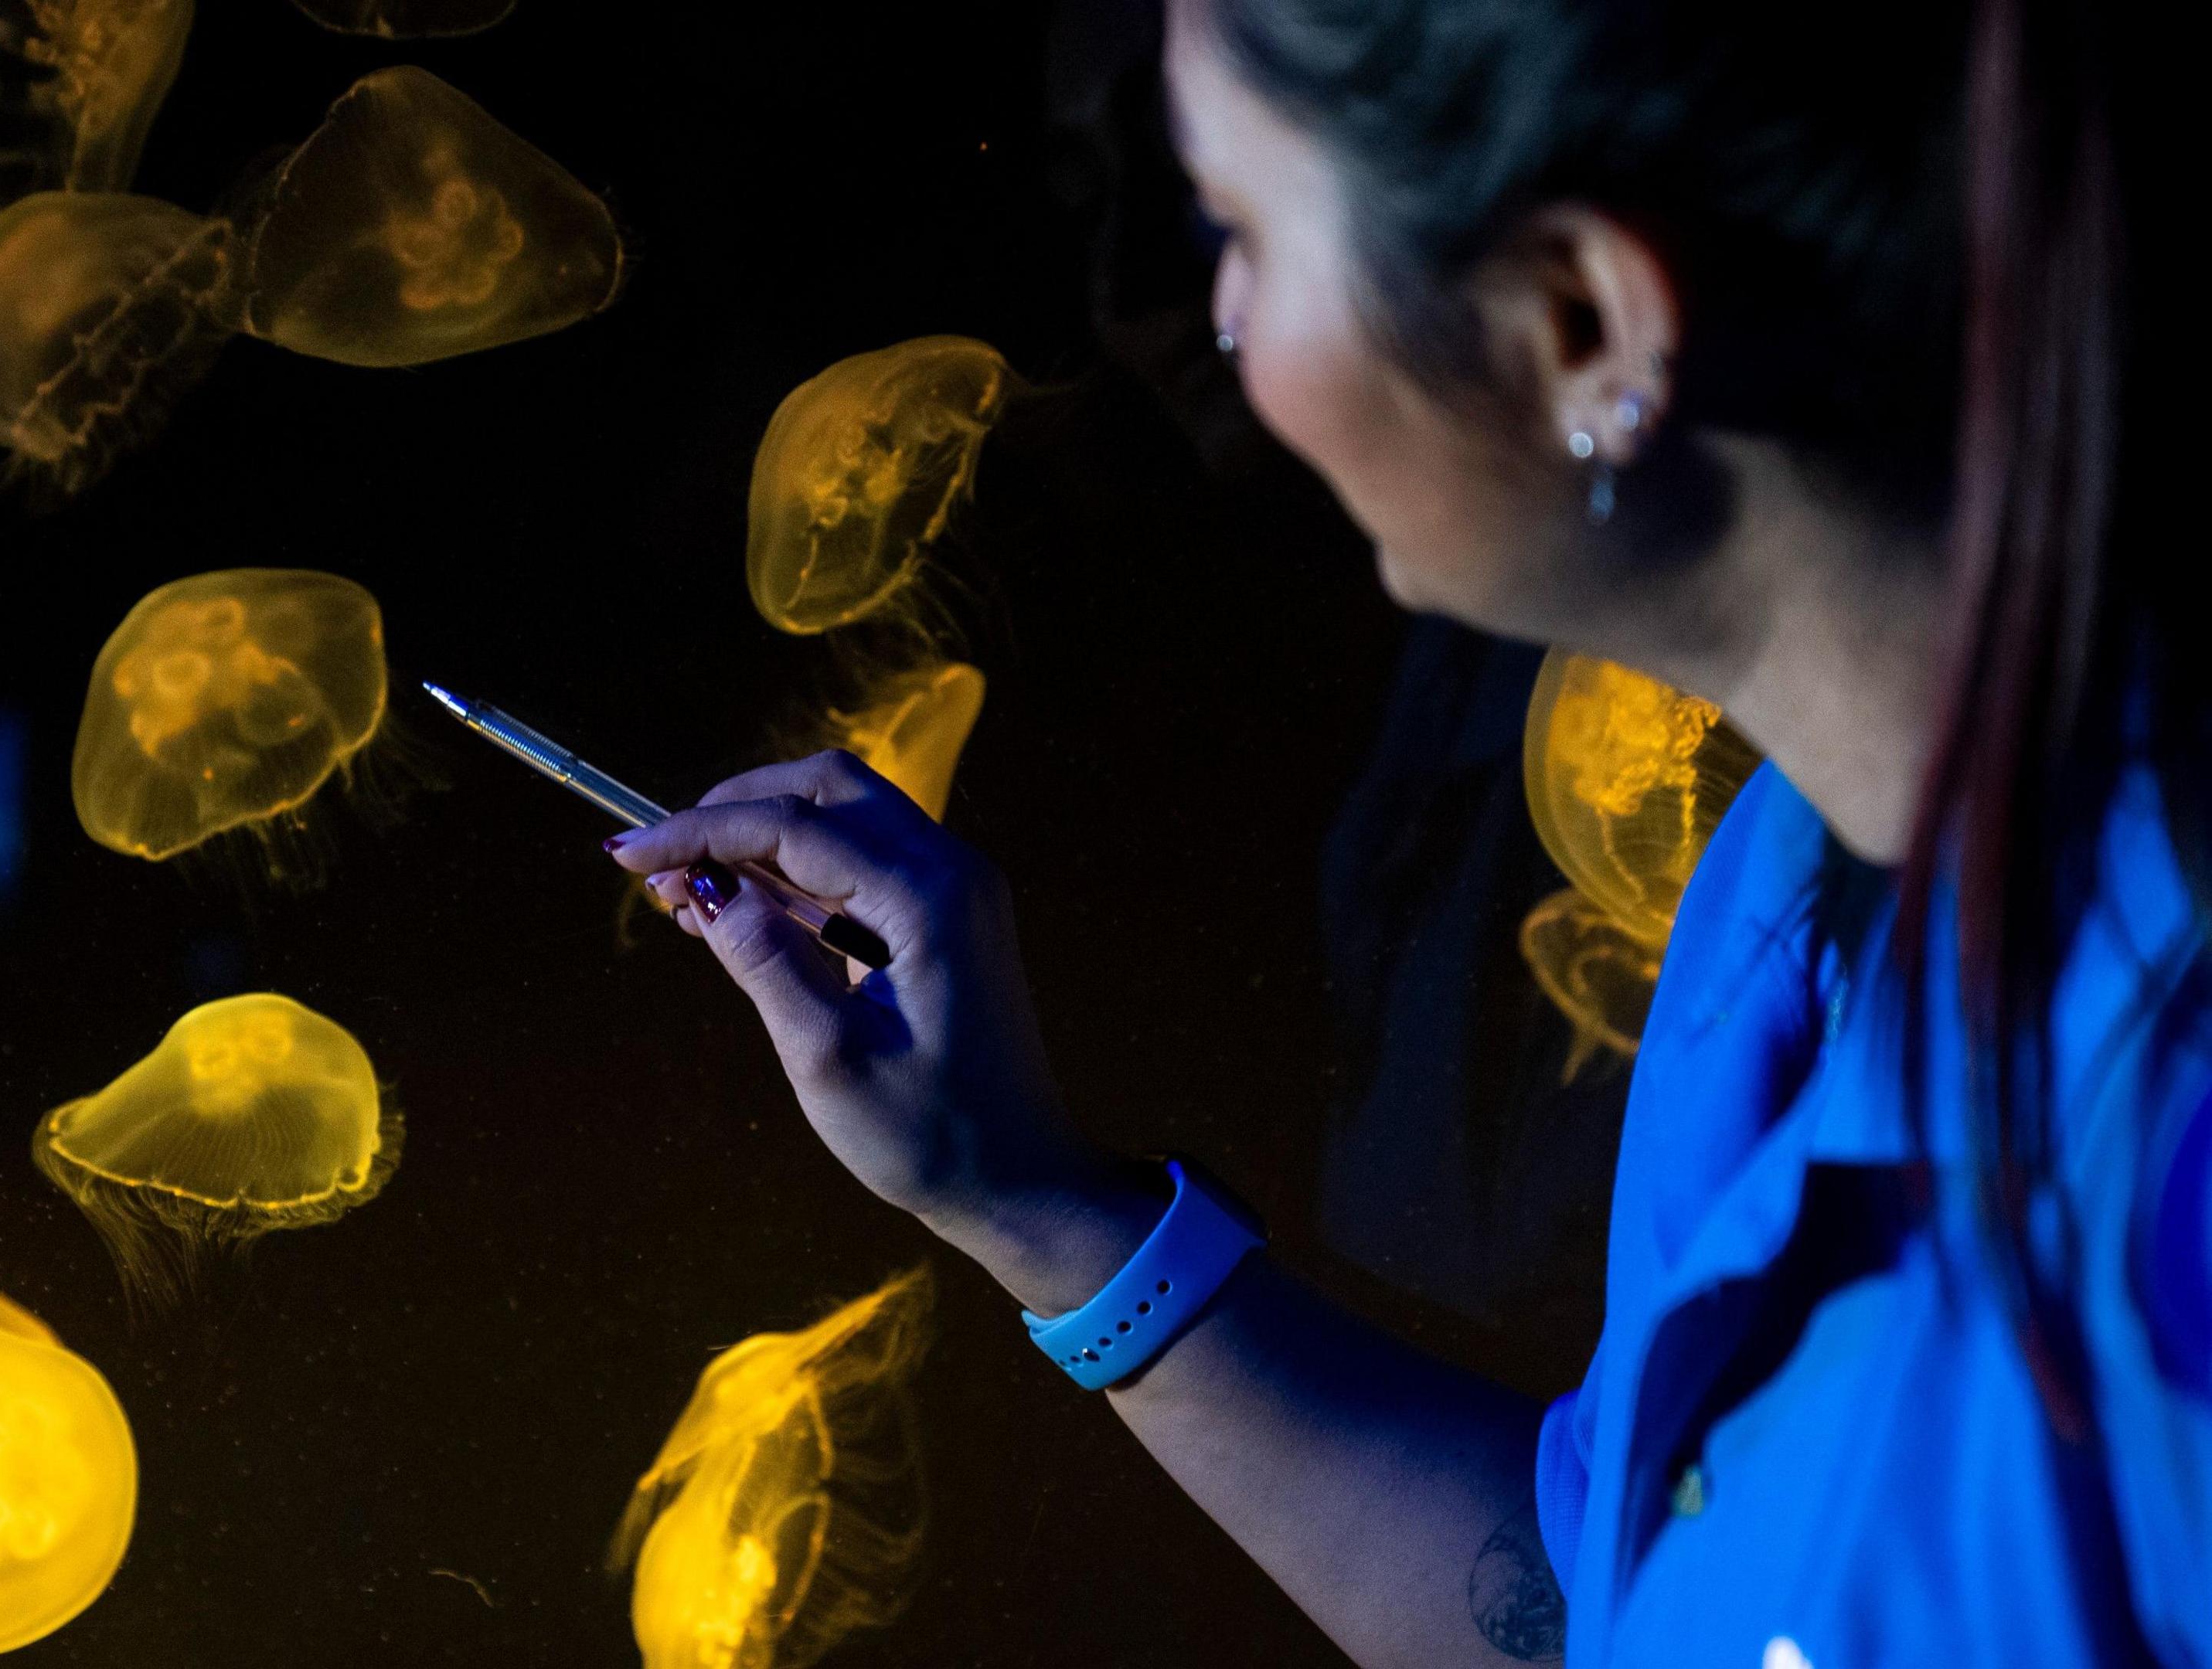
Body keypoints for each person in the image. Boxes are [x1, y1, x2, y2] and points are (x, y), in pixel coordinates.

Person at [606, 0, 2207, 1664]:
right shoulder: (1776, 897)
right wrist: (1028, 1203)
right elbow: (1625, 1616)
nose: (1213, 322)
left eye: (1243, 231)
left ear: (1586, 321)